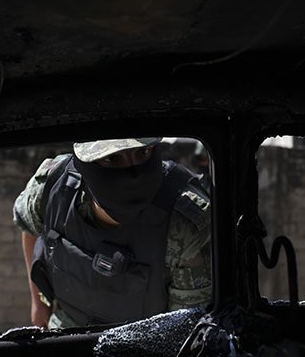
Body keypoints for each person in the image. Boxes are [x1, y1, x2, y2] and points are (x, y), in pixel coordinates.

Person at [13, 137, 211, 328]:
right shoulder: (54, 184)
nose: (132, 173)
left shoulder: (185, 223)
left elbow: (185, 332)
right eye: (112, 158)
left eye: (142, 152)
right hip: (65, 335)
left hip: (147, 356)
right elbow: (29, 225)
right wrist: (39, 302)